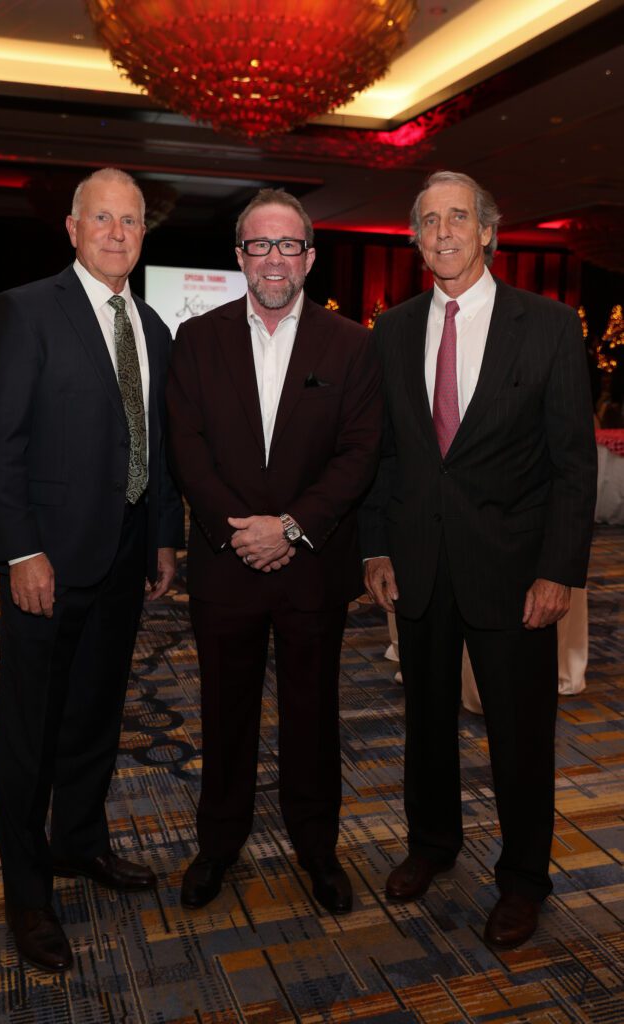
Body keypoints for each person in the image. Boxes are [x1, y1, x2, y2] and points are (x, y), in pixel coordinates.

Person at [360, 171, 596, 950]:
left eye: (457, 218)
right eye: (428, 222)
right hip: (421, 565)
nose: (443, 233)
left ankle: (523, 879)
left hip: (515, 571)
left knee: (519, 735)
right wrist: (377, 547)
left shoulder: (550, 327)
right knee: (424, 722)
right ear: (415, 238)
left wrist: (559, 569)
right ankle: (431, 844)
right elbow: (385, 454)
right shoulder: (390, 330)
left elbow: (572, 463)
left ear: (488, 231)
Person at [0, 168, 184, 973]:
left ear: (141, 234)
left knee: (96, 713)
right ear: (71, 227)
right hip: (47, 563)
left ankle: (80, 843)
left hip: (126, 558)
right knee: (30, 731)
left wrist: (164, 538)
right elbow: (1, 444)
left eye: (129, 221)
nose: (116, 233)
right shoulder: (28, 310)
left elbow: (155, 449)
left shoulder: (154, 328)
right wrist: (21, 550)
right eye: (101, 218)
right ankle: (28, 894)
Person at [166, 188, 382, 915]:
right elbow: (186, 448)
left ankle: (316, 848)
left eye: (288, 245)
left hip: (311, 567)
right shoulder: (196, 341)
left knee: (313, 714)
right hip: (225, 564)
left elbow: (358, 454)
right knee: (223, 713)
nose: (273, 259)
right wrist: (241, 528)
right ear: (238, 256)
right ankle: (218, 843)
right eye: (259, 245)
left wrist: (288, 527)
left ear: (310, 257)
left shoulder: (350, 343)